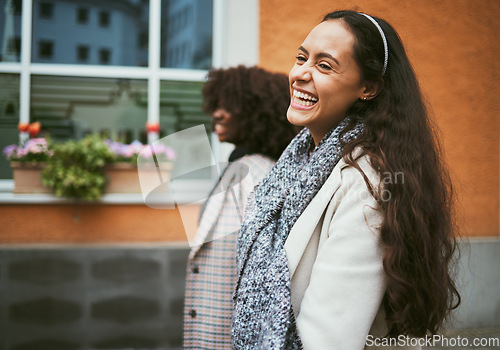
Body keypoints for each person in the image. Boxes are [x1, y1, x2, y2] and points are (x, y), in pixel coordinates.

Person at [232, 10, 460, 350]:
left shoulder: (367, 186)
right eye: (301, 57)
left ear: (367, 88)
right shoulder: (300, 160)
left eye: (324, 65)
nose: (300, 74)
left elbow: (329, 338)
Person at [183, 65, 298, 349]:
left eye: (229, 106)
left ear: (257, 111)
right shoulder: (240, 166)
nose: (217, 113)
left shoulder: (256, 173)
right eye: (216, 104)